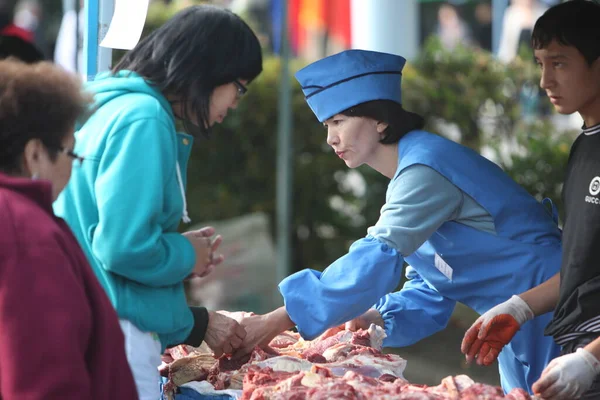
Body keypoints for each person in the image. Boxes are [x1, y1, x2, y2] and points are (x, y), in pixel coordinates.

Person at [232, 48, 563, 394]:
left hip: (553, 307)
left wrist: (279, 318)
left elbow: (377, 256)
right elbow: (433, 286)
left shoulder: (425, 168)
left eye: (338, 121)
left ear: (380, 120)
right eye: (327, 125)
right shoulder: (410, 172)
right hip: (513, 325)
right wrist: (374, 320)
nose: (330, 138)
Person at [52, 5, 262, 399]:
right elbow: (122, 247)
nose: (236, 103)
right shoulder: (145, 117)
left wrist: (183, 252)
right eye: (240, 86)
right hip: (116, 335)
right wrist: (186, 254)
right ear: (210, 68)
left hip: (89, 322)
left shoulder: (116, 107)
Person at [461, 2, 600, 399]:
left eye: (559, 63)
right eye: (540, 63)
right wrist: (519, 308)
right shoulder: (583, 148)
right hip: (576, 349)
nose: (544, 81)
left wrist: (592, 359)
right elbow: (581, 268)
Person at [0, 59, 138, 399]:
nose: (73, 167)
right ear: (34, 155)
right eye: (71, 153)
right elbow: (45, 383)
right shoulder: (27, 236)